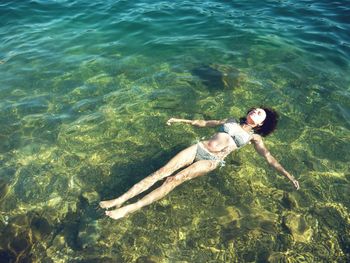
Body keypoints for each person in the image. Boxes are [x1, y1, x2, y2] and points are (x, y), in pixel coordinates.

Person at [99, 107, 300, 220]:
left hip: (211, 161)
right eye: (255, 109)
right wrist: (179, 120)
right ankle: (119, 199)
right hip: (199, 148)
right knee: (160, 172)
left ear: (261, 124)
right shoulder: (230, 120)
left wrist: (288, 175)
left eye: (259, 114)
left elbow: (269, 157)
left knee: (173, 179)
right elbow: (203, 123)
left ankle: (129, 208)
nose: (255, 111)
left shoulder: (254, 138)